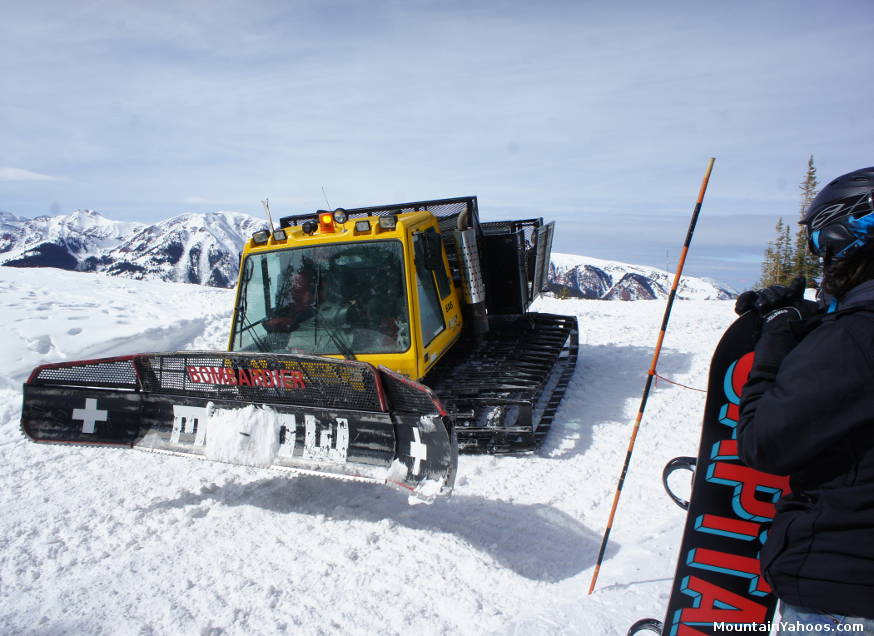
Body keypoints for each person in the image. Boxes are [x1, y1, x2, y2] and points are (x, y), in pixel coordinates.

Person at [736, 166, 874, 632]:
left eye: (822, 244)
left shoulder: (855, 337)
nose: (821, 259)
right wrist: (810, 318)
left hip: (841, 591)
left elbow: (763, 444)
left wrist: (775, 340)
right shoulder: (852, 334)